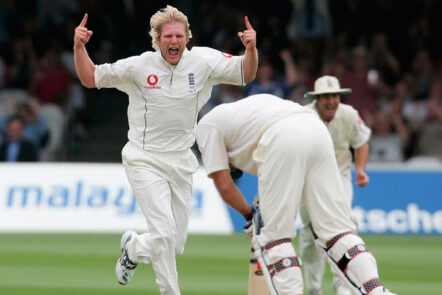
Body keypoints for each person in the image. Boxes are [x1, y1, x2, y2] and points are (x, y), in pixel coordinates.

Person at [73, 5, 257, 295]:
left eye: (179, 36)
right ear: (157, 40)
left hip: (182, 160)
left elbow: (246, 72)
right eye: (168, 36)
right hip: (144, 158)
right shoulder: (138, 66)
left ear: (187, 38)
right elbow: (90, 77)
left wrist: (251, 48)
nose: (174, 41)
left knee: (175, 244)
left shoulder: (204, 61)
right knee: (164, 234)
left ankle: (134, 248)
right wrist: (79, 46)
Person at [196, 94, 396, 295]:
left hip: (281, 137)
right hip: (317, 131)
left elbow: (224, 185)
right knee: (337, 232)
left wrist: (250, 216)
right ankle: (377, 291)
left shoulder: (206, 126)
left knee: (274, 239)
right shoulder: (249, 110)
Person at [300, 75, 371, 295]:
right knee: (311, 233)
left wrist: (359, 170)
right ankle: (313, 289)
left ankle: (344, 282)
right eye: (326, 97)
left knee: (345, 224)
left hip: (339, 174)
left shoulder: (349, 115)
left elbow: (361, 141)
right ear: (317, 99)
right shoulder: (304, 117)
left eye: (335, 96)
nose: (332, 101)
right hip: (309, 177)